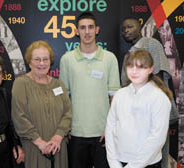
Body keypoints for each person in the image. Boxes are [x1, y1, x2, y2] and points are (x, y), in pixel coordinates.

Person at [59, 12, 120, 168]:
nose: (87, 32)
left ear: (97, 30)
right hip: (75, 133)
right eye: (83, 28)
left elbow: (115, 98)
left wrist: (111, 129)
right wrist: (66, 128)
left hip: (102, 133)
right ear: (76, 31)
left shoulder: (110, 58)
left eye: (90, 27)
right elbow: (63, 98)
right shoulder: (67, 59)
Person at [120, 17, 179, 168]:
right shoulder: (128, 56)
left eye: (130, 27)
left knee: (158, 156)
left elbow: (158, 79)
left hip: (153, 112)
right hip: (136, 116)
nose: (126, 31)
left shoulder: (151, 44)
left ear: (139, 28)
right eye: (124, 29)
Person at [105, 49, 172, 168]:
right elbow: (110, 129)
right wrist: (114, 162)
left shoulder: (159, 98)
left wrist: (133, 166)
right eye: (130, 66)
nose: (134, 71)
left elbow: (157, 138)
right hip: (120, 162)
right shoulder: (120, 94)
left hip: (148, 164)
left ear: (151, 69)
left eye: (141, 67)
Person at [11, 40, 71, 168]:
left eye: (45, 59)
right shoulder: (21, 84)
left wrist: (58, 137)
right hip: (34, 148)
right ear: (29, 62)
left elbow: (68, 113)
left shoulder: (58, 84)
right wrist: (40, 143)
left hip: (58, 147)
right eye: (37, 59)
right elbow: (19, 117)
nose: (42, 63)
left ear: (50, 61)